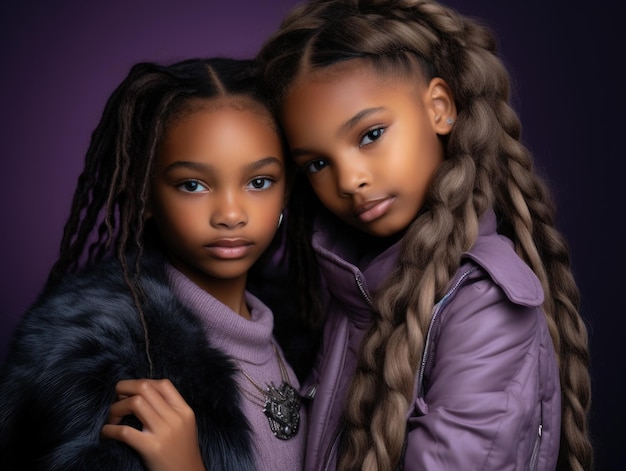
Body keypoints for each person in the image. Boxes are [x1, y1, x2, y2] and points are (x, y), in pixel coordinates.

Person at [257, 0, 593, 470]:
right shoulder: (352, 288)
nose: (349, 179)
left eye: (370, 134)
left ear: (440, 108)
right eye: (316, 163)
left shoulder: (485, 308)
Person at [0, 57, 308, 471]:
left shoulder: (310, 329)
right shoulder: (110, 363)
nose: (231, 214)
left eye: (259, 182)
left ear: (286, 190)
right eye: (193, 185)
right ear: (145, 196)